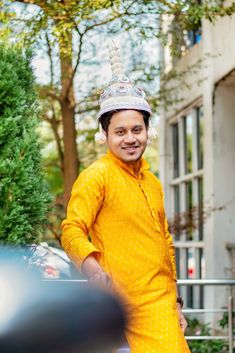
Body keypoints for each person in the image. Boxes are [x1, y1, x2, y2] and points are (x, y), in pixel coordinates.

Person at [61, 43, 190, 353]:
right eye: (120, 132)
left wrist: (176, 303)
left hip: (161, 307)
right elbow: (72, 229)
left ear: (148, 130)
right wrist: (94, 271)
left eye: (137, 129)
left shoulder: (153, 182)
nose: (130, 138)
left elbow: (165, 243)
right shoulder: (96, 176)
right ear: (104, 135)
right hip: (121, 306)